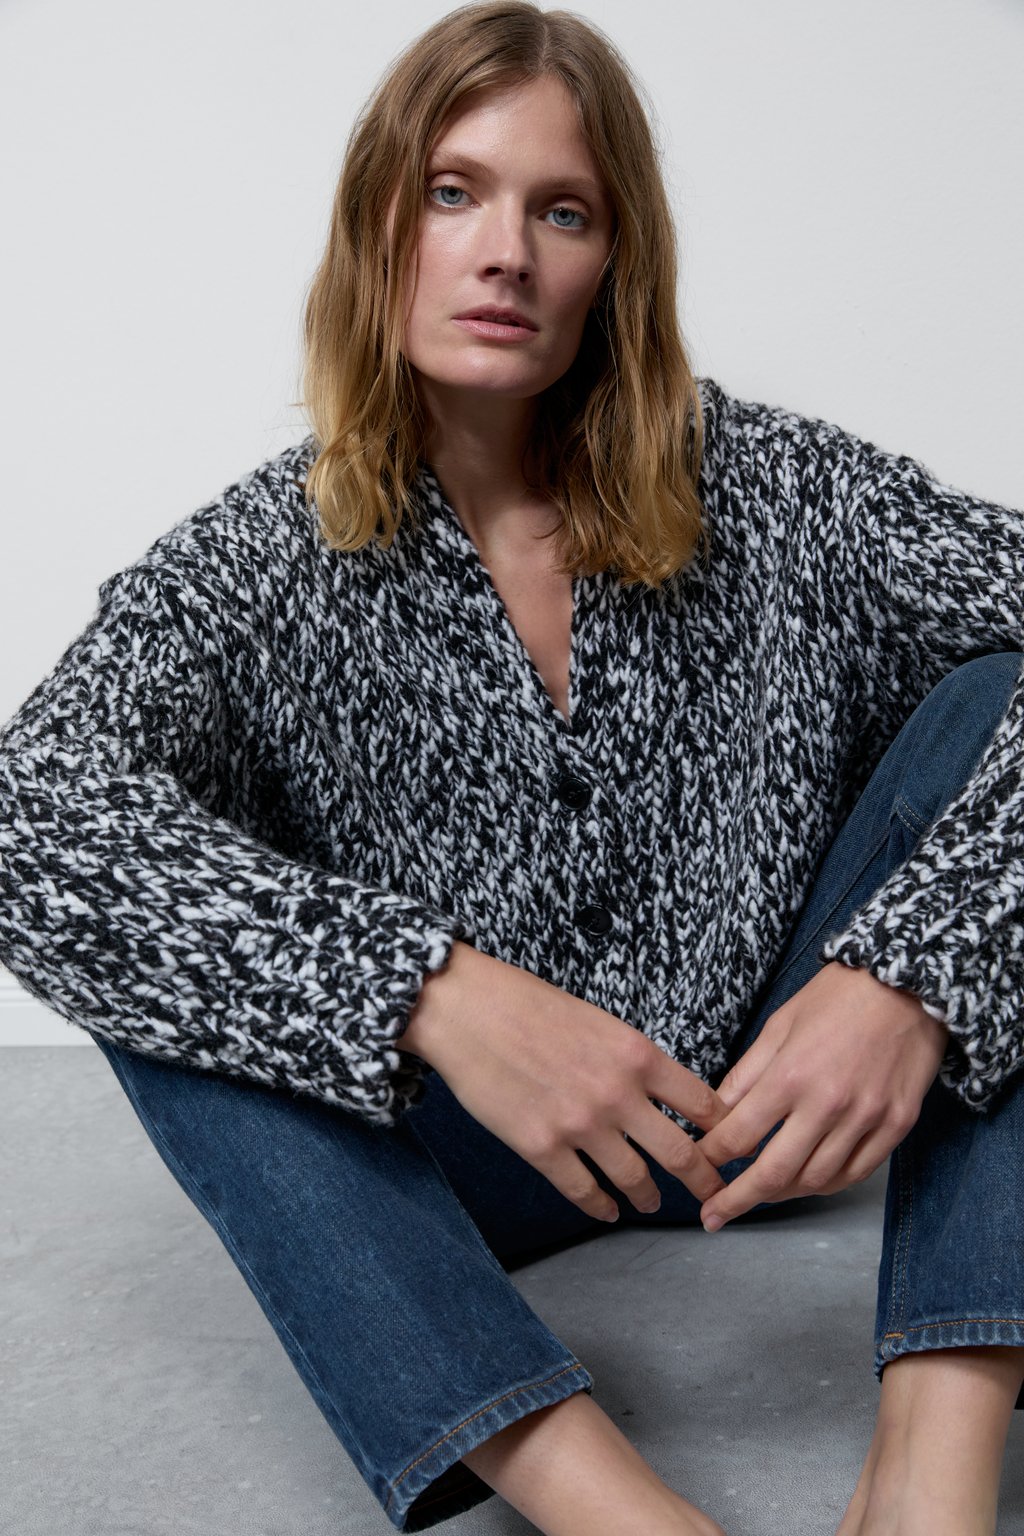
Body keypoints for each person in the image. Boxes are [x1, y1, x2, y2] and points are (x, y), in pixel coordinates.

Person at [2, 2, 1023, 1532]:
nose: (504, 255)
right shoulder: (252, 565)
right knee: (173, 965)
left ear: (616, 263)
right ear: (378, 226)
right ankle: (608, 1504)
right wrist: (430, 990)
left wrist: (913, 974)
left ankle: (937, 1453)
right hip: (463, 1171)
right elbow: (27, 818)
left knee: (1004, 738)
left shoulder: (777, 490)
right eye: (452, 192)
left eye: (563, 212)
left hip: (778, 1113)